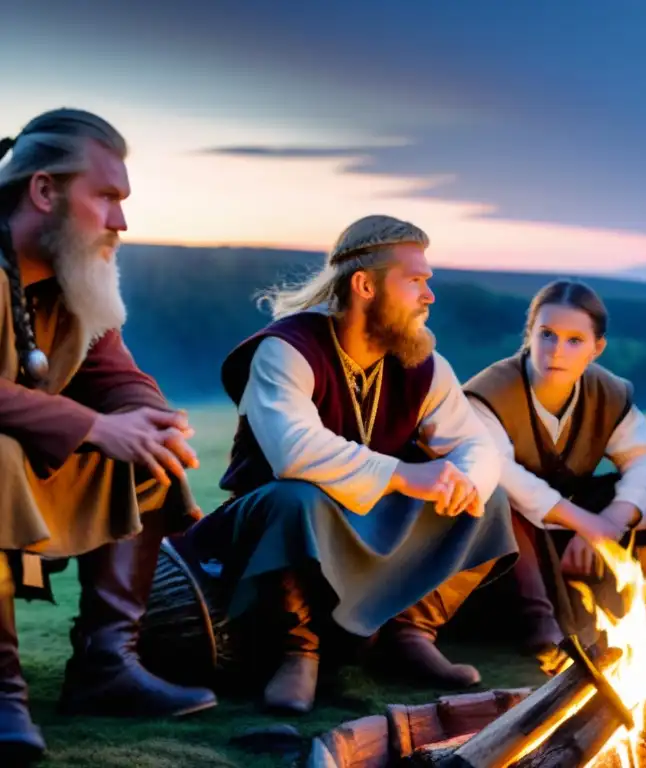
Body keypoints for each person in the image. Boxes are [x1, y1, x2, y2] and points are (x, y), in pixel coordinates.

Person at [177, 214, 518, 715]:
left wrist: (463, 482)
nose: (430, 296)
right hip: (271, 532)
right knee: (297, 496)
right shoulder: (286, 350)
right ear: (364, 285)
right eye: (416, 281)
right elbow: (293, 451)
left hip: (362, 522)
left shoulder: (424, 365)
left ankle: (410, 633)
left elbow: (478, 445)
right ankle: (298, 651)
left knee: (489, 496)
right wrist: (407, 475)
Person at [0, 109, 217, 763]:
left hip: (26, 470)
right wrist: (95, 427)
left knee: (146, 454)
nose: (120, 221)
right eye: (107, 197)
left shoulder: (73, 280)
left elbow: (113, 372)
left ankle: (105, 665)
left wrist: (151, 419)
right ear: (45, 190)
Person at [462, 279, 646, 668]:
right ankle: (540, 625)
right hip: (500, 556)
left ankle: (625, 608)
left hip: (566, 542)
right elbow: (499, 472)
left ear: (597, 348)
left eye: (574, 340)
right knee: (496, 497)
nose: (557, 351)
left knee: (624, 492)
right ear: (530, 334)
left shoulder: (608, 393)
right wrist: (583, 522)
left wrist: (606, 523)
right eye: (547, 335)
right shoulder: (488, 393)